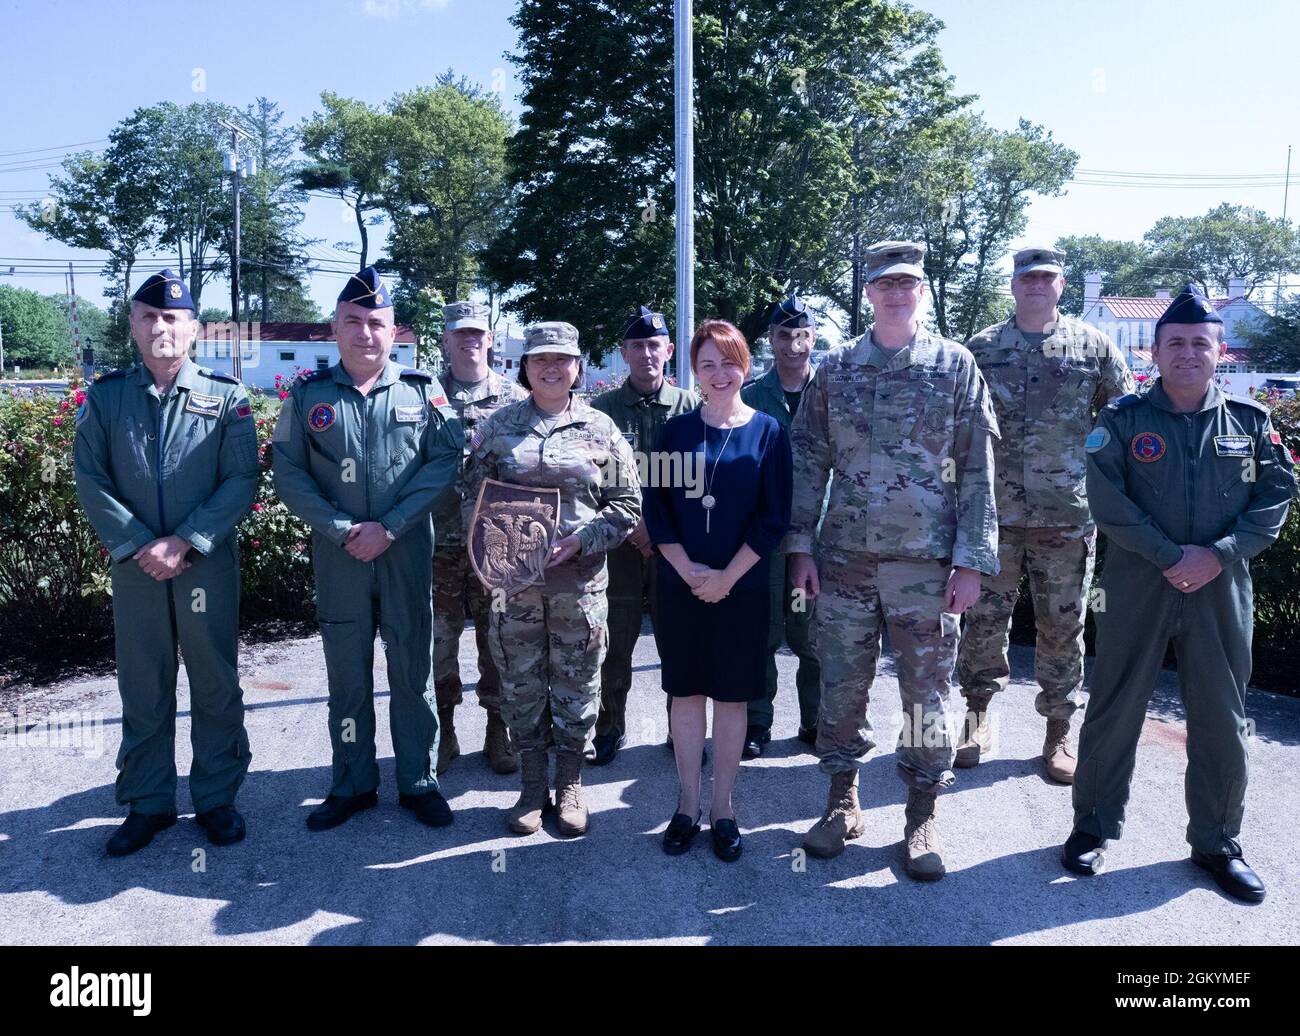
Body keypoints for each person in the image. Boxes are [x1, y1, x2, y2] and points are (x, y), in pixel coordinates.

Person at [1060, 283, 1296, 903]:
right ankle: (1092, 826)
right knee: (1115, 705)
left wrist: (1216, 557)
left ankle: (1217, 842)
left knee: (1223, 715)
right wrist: (1171, 556)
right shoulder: (1122, 421)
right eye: (1175, 344)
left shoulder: (1251, 424)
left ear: (1220, 352)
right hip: (1139, 583)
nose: (1187, 353)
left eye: (1199, 343)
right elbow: (1106, 499)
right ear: (1156, 353)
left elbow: (1274, 498)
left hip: (1221, 589)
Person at [787, 242, 1000, 881]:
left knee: (926, 698)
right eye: (885, 284)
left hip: (927, 568)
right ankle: (840, 802)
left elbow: (979, 468)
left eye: (908, 283)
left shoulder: (953, 365)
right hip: (845, 562)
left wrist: (972, 559)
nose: (897, 293)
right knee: (842, 687)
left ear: (922, 290)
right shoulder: (836, 369)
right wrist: (799, 546)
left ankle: (921, 815)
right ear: (869, 292)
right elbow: (808, 459)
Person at [73, 269, 258, 856]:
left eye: (173, 318)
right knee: (143, 683)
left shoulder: (227, 397)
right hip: (135, 569)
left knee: (214, 682)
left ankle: (216, 798)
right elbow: (91, 478)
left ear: (194, 330)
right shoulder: (106, 397)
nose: (161, 328)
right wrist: (137, 544)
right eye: (149, 317)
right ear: (133, 326)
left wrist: (184, 541)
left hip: (203, 564)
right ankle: (149, 802)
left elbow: (240, 480)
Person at [273, 267, 462, 832]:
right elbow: (289, 472)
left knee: (412, 671)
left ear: (394, 331)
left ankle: (418, 781)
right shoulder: (306, 397)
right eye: (352, 322)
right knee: (347, 676)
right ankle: (352, 783)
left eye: (375, 323)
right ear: (335, 328)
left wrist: (393, 525)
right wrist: (340, 528)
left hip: (403, 551)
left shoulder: (424, 391)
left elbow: (444, 463)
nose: (364, 333)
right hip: (340, 557)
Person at [957, 247, 1134, 782]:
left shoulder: (1094, 347)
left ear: (1061, 285)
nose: (1036, 284)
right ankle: (976, 715)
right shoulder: (981, 349)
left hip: (1067, 517)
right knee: (984, 619)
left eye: (1046, 277)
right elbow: (959, 426)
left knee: (1063, 624)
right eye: (1026, 277)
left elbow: (1123, 418)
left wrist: (1110, 490)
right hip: (996, 515)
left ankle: (1058, 731)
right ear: (1013, 285)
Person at [462, 322, 641, 837]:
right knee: (519, 684)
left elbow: (626, 506)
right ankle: (531, 787)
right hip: (513, 587)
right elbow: (470, 495)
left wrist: (581, 541)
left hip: (578, 588)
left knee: (577, 684)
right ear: (524, 366)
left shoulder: (601, 431)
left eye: (562, 360)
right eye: (540, 359)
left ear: (577, 367)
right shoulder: (498, 429)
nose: (550, 368)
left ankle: (570, 784)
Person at [645, 319, 792, 861]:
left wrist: (726, 577)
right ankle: (686, 803)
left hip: (742, 587)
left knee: (732, 697)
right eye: (707, 364)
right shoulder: (674, 432)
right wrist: (688, 572)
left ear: (744, 366)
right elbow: (655, 511)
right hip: (682, 585)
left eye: (728, 362)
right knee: (685, 694)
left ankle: (724, 807)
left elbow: (775, 516)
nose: (718, 373)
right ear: (694, 370)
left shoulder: (769, 431)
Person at [589, 306, 700, 766]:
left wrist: (663, 529)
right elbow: (595, 479)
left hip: (677, 547)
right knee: (615, 640)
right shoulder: (602, 411)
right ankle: (609, 728)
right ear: (624, 354)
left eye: (655, 345)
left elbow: (700, 478)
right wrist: (636, 526)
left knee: (679, 641)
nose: (646, 354)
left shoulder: (690, 406)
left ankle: (682, 732)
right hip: (621, 547)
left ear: (669, 351)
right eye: (637, 346)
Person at [431, 300, 528, 776]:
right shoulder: (423, 395)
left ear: (489, 339)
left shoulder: (513, 400)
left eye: (477, 333)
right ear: (446, 340)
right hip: (438, 541)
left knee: (499, 641)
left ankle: (498, 731)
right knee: (439, 641)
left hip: (495, 546)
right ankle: (443, 730)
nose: (469, 340)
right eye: (459, 333)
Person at [740, 295, 822, 759]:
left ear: (812, 338)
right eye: (784, 336)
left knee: (811, 637)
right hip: (767, 539)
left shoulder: (832, 390)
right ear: (770, 340)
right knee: (764, 633)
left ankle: (816, 722)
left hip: (817, 538)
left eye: (801, 335)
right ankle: (756, 723)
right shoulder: (751, 398)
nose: (793, 345)